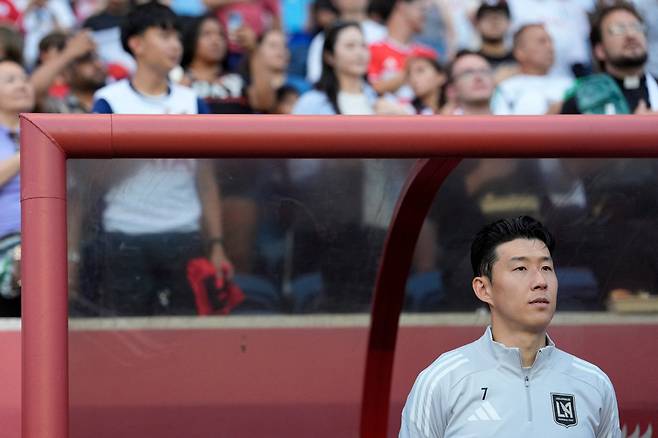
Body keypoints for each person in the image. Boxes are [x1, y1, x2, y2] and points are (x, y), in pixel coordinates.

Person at [400, 216, 622, 437]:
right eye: (520, 269)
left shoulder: (593, 384)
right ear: (483, 289)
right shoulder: (442, 381)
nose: (540, 281)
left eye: (546, 267)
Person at [90, 1, 232, 316]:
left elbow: (206, 179)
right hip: (125, 236)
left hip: (184, 234)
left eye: (178, 38)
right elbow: (95, 179)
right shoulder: (109, 101)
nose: (175, 45)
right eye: (164, 36)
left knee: (185, 338)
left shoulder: (192, 101)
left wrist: (217, 244)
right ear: (136, 44)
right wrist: (151, 139)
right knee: (129, 340)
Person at [560, 3, 657, 114]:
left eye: (636, 27)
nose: (631, 34)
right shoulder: (582, 99)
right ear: (600, 50)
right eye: (618, 29)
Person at [0, 59, 35, 317]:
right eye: (10, 80)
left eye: (24, 78)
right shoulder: (41, 140)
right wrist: (30, 154)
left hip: (49, 240)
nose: (22, 85)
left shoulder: (49, 127)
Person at [491, 24, 573, 115]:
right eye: (542, 42)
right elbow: (501, 126)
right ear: (520, 52)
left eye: (551, 41)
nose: (550, 48)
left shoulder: (571, 85)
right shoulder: (505, 89)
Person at [367, 0, 437, 103]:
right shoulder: (371, 51)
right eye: (421, 9)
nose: (425, 15)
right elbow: (369, 92)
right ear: (402, 6)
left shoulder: (427, 54)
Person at [305, 0, 386, 84]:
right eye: (350, 46)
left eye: (363, 46)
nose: (359, 53)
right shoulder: (323, 38)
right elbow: (316, 79)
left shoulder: (385, 33)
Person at [474, 0, 516, 79]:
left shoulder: (520, 58)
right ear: (477, 24)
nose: (494, 22)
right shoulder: (470, 60)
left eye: (498, 17)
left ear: (509, 23)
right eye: (488, 17)